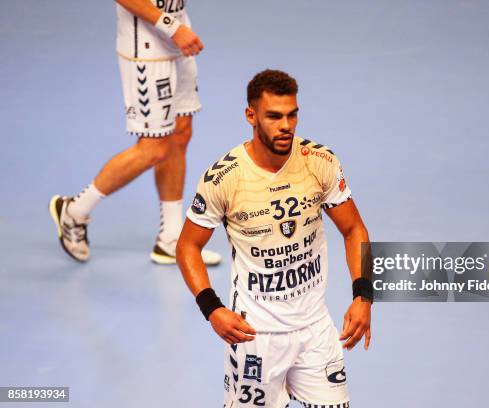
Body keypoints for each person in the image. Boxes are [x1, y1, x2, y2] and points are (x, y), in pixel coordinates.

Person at [177, 69, 373, 407]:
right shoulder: (224, 178)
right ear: (251, 115)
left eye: (292, 114)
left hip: (315, 330)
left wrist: (363, 296)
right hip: (255, 337)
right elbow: (187, 247)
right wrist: (212, 309)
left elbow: (354, 229)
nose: (286, 125)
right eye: (274, 116)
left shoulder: (319, 162)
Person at [49, 0, 221, 265]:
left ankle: (171, 239)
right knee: (155, 147)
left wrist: (176, 28)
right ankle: (74, 210)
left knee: (180, 135)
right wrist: (171, 26)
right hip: (147, 46)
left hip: (178, 36)